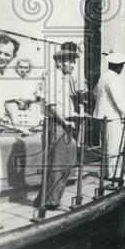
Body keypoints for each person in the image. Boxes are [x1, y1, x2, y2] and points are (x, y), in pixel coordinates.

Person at [33, 41, 83, 211]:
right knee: (59, 165)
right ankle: (50, 202)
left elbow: (63, 104)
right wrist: (65, 122)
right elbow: (52, 105)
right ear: (61, 62)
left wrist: (75, 115)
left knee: (66, 162)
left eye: (74, 61)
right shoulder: (53, 77)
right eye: (71, 61)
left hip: (63, 123)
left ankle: (44, 198)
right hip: (57, 125)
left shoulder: (63, 78)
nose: (74, 65)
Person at [93, 51, 125, 178]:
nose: (122, 68)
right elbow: (119, 99)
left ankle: (107, 173)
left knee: (106, 146)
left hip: (104, 116)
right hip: (112, 117)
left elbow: (95, 92)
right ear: (118, 66)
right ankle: (114, 176)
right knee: (114, 147)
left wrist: (103, 104)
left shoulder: (104, 76)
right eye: (122, 65)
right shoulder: (113, 78)